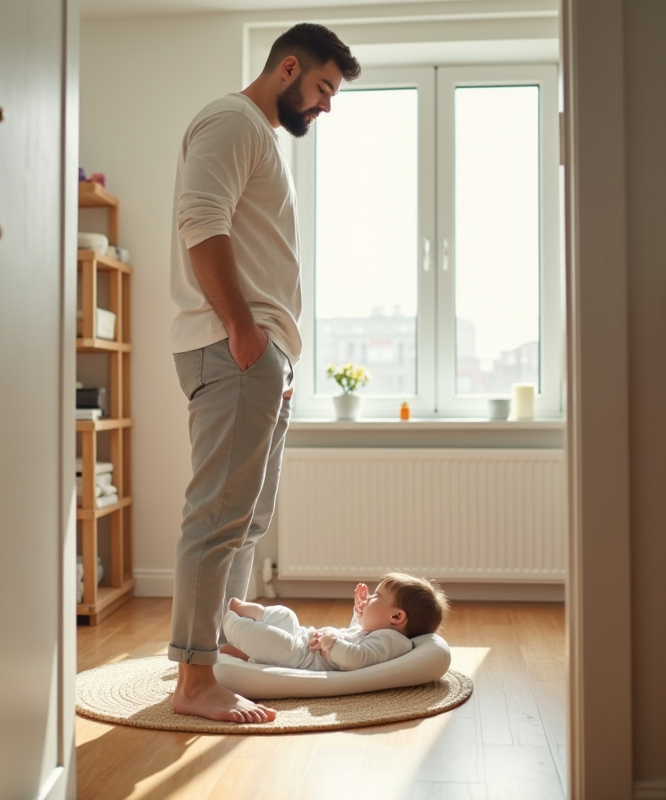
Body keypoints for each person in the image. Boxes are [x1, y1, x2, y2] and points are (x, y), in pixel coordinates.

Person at [167, 23, 361, 723]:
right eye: (322, 89)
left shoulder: (259, 138)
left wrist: (267, 344)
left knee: (247, 519)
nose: (325, 106)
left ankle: (218, 655)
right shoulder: (231, 122)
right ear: (287, 68)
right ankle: (193, 681)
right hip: (235, 346)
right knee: (218, 517)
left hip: (260, 353)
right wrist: (244, 329)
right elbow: (200, 221)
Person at [219, 573, 451, 671]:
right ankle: (244, 617)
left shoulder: (393, 641)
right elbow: (355, 633)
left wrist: (332, 644)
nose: (369, 598)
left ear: (396, 617)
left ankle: (228, 620)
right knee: (286, 615)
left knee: (277, 642)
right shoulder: (379, 631)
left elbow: (356, 658)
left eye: (376, 597)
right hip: (305, 638)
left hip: (303, 658)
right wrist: (359, 610)